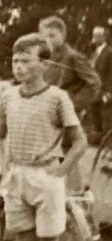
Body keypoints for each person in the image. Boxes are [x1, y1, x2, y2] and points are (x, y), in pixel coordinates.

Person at [0, 34, 86, 241]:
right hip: (17, 177)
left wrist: (58, 173)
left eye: (26, 61)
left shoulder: (57, 98)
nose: (19, 67)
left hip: (45, 178)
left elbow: (79, 141)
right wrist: (5, 167)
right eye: (15, 61)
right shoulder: (7, 96)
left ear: (44, 64)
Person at [38, 16, 100, 186]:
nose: (48, 40)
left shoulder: (72, 57)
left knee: (66, 152)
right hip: (47, 114)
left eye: (52, 35)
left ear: (63, 35)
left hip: (65, 115)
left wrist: (72, 103)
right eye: (44, 36)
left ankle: (76, 200)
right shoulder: (46, 57)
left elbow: (94, 84)